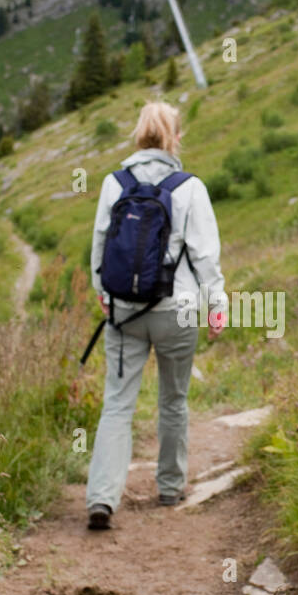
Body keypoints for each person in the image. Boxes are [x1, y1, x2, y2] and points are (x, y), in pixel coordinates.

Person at [86, 101, 227, 530]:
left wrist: (102, 291)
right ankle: (169, 487)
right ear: (175, 136)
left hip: (125, 312)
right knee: (173, 399)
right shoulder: (190, 187)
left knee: (117, 405)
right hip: (177, 312)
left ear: (138, 134)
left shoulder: (115, 182)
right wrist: (216, 305)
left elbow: (100, 241)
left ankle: (102, 499)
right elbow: (204, 255)